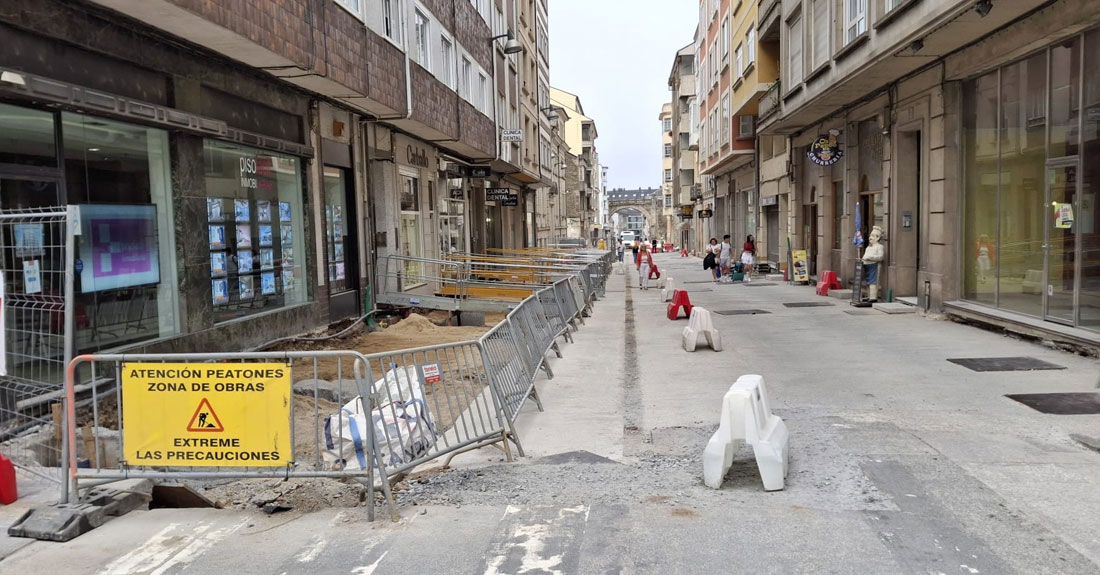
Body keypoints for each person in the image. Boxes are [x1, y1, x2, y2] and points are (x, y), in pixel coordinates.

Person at [862, 226, 886, 301]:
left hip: (874, 265)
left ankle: (873, 297)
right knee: (868, 282)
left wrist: (870, 257)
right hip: (866, 266)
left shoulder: (879, 247)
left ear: (877, 238)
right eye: (870, 235)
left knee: (873, 282)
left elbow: (880, 257)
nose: (870, 237)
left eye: (872, 236)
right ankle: (869, 296)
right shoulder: (868, 248)